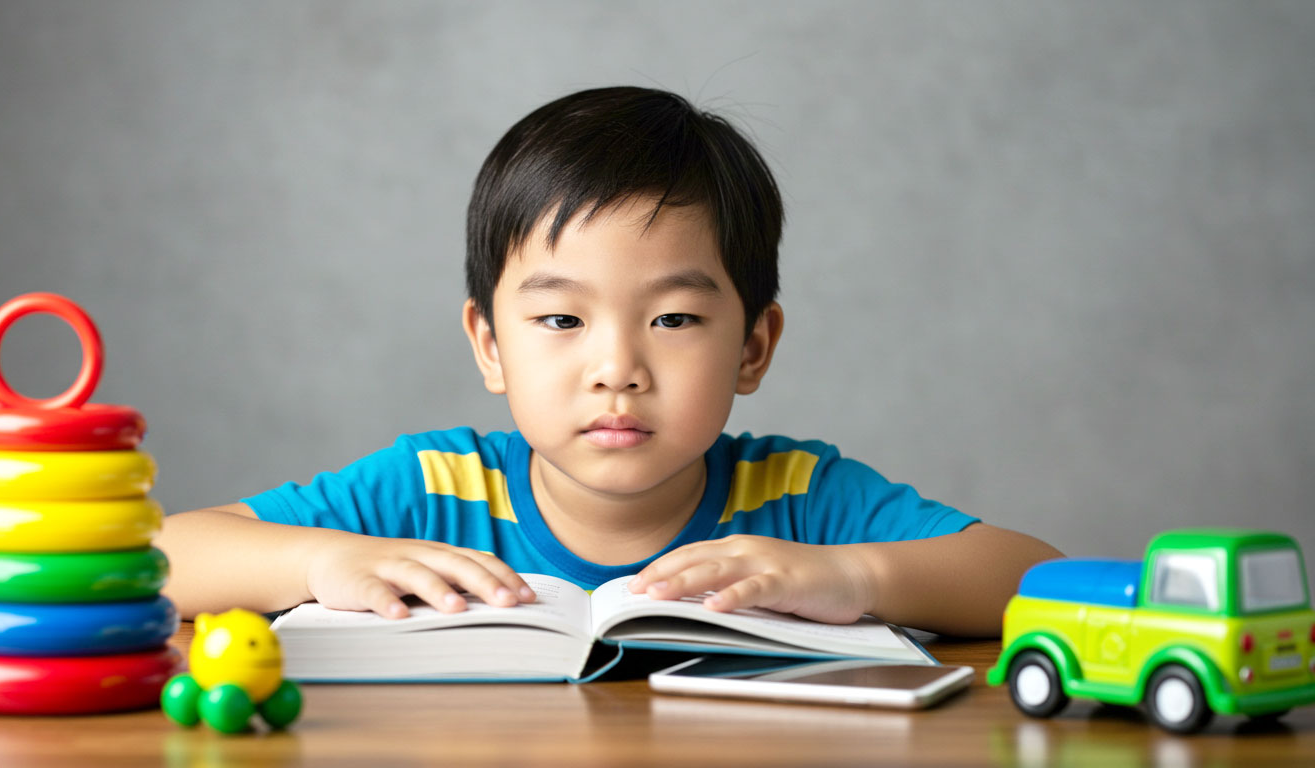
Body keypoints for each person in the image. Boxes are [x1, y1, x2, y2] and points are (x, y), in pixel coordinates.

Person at [157, 86, 1061, 636]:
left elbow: (1035, 578)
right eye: (559, 318)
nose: (616, 367)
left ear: (754, 346)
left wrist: (857, 576)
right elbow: (158, 554)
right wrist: (322, 566)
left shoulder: (799, 500)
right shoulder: (432, 489)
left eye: (672, 319)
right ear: (489, 345)